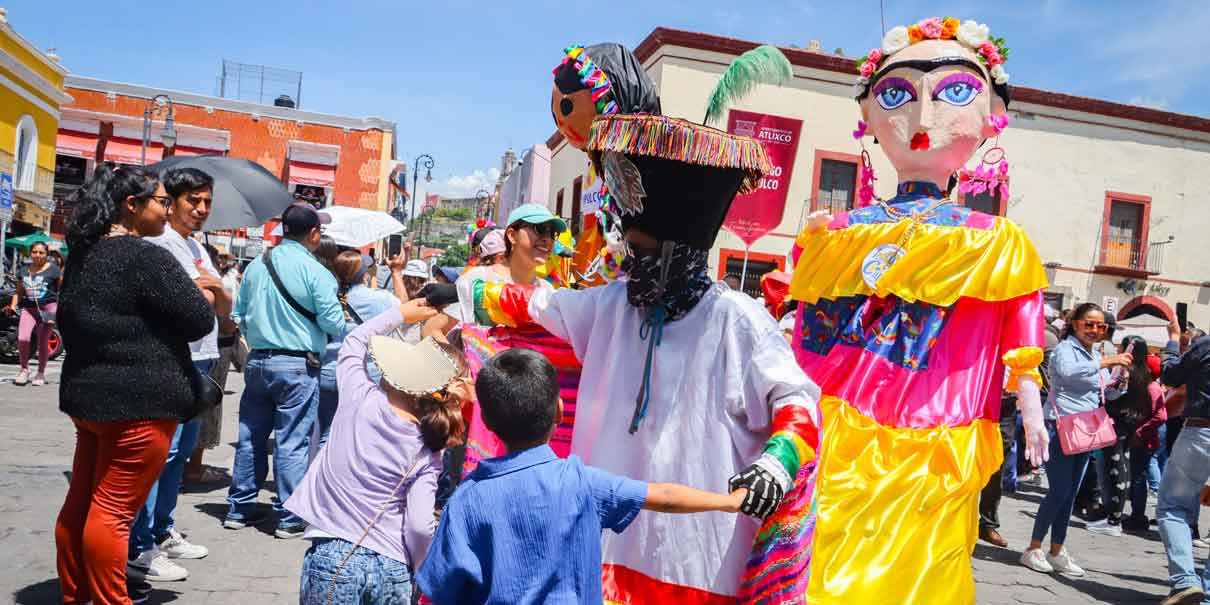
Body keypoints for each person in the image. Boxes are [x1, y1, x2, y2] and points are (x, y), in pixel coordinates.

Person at [462, 99, 821, 603]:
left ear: (685, 253)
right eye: (631, 250)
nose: (634, 264)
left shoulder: (738, 320)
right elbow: (537, 305)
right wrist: (476, 292)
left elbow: (799, 404)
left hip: (699, 562)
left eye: (645, 253)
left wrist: (776, 464)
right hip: (599, 553)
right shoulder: (609, 305)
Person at [788, 17, 1048, 603]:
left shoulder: (994, 239)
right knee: (827, 557)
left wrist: (1030, 401)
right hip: (840, 433)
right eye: (898, 94)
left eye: (954, 91)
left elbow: (1019, 328)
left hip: (938, 437)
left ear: (989, 116)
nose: (923, 116)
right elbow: (806, 337)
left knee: (926, 568)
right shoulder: (836, 234)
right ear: (870, 116)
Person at [416, 348, 745, 604]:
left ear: (485, 420)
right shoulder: (580, 483)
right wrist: (729, 502)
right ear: (559, 409)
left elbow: (441, 588)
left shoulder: (467, 499)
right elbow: (665, 497)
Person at [54, 164, 214, 605]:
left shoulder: (85, 253)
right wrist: (203, 293)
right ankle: (110, 599)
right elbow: (200, 320)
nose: (166, 211)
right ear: (132, 205)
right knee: (113, 512)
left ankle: (77, 593)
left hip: (90, 398)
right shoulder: (146, 256)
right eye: (162, 202)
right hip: (140, 403)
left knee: (83, 502)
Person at [285, 298, 460, 604]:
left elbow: (354, 340)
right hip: (394, 565)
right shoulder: (427, 447)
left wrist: (399, 315)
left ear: (388, 376)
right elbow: (420, 525)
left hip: (335, 554)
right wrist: (420, 569)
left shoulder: (358, 397)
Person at [127, 167, 230, 581]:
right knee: (160, 455)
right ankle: (140, 545)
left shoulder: (197, 247)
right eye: (194, 201)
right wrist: (214, 292)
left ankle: (162, 528)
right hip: (174, 357)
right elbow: (199, 299)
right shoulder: (164, 242)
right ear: (173, 202)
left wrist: (216, 291)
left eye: (207, 202)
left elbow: (221, 301)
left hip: (201, 357)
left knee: (179, 455)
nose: (202, 209)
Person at [225, 203, 345, 539]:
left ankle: (240, 507)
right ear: (314, 234)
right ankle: (289, 515)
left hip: (259, 360)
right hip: (296, 364)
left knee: (250, 436)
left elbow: (240, 314)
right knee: (292, 440)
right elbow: (333, 322)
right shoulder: (316, 271)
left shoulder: (256, 266)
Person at [1021, 303, 1132, 576]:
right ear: (1074, 323)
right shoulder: (1064, 350)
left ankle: (1057, 550)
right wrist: (1107, 363)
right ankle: (1033, 548)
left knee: (1070, 494)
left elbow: (1103, 388)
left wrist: (1120, 381)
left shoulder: (1093, 352)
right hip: (1061, 426)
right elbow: (1070, 372)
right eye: (1089, 324)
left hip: (1085, 427)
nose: (1095, 330)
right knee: (1058, 490)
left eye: (1100, 326)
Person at [316, 251, 407, 448]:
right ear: (365, 275)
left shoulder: (325, 297)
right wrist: (396, 272)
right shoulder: (379, 300)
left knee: (327, 432)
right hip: (365, 375)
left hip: (328, 372)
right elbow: (405, 309)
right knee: (359, 434)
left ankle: (321, 472)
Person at [1156, 320, 1210, 605]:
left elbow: (1171, 375)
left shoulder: (1205, 345)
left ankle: (1185, 581)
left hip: (1202, 432)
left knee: (1173, 507)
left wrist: (1174, 340)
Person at [9, 240, 61, 386]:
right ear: (30, 253)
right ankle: (24, 370)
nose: (37, 255)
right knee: (23, 338)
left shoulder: (54, 270)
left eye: (41, 252)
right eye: (35, 252)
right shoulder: (23, 270)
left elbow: (61, 290)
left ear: (46, 254)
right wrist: (13, 305)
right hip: (29, 309)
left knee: (42, 341)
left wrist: (58, 310)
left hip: (48, 309)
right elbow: (19, 291)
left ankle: (40, 373)